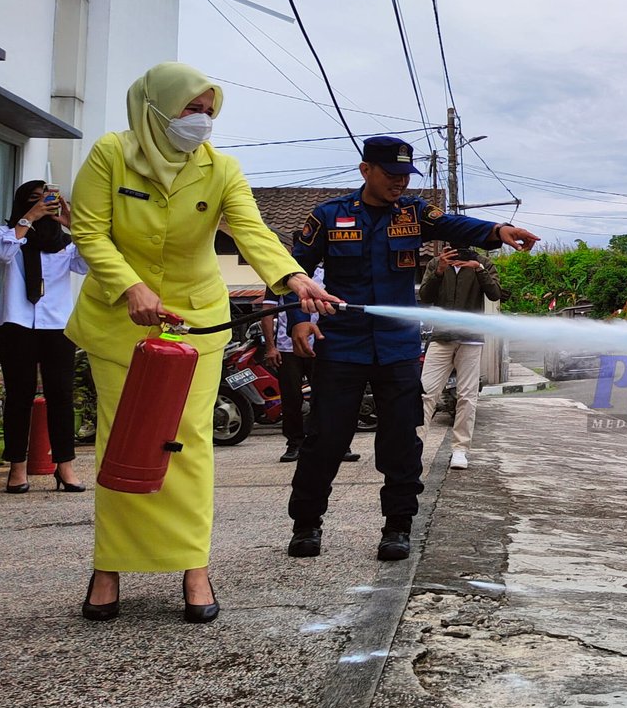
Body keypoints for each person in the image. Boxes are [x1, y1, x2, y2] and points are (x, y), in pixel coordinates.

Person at [67, 63, 338, 624]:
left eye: (209, 112)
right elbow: (89, 230)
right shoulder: (111, 153)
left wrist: (293, 278)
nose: (202, 121)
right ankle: (109, 566)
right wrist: (130, 286)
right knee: (125, 442)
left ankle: (194, 566)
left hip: (196, 325)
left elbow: (252, 231)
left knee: (188, 444)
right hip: (119, 322)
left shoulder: (222, 169)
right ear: (156, 106)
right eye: (191, 109)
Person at [285, 135, 536, 562]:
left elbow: (455, 225)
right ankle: (306, 525)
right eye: (391, 174)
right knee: (325, 439)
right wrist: (299, 319)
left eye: (405, 175)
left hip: (397, 349)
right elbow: (294, 270)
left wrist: (497, 231)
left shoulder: (414, 213)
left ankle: (397, 527)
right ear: (366, 170)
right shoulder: (328, 216)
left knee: (402, 441)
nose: (400, 182)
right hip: (341, 345)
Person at [0, 180, 88, 493]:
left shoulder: (67, 243)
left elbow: (89, 264)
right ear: (22, 203)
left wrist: (74, 225)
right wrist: (30, 217)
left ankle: (65, 467)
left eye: (48, 199)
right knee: (19, 396)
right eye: (34, 199)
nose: (43, 204)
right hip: (16, 324)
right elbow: (3, 253)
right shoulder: (5, 234)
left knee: (61, 395)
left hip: (57, 326)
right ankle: (17, 468)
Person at [260, 263, 358, 464]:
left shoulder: (328, 274)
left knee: (328, 396)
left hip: (321, 344)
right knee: (291, 398)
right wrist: (270, 347)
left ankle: (337, 444)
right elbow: (267, 312)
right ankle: (294, 443)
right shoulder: (282, 277)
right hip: (288, 347)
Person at [418, 244, 504, 470]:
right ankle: (415, 447)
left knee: (467, 395)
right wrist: (439, 271)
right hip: (441, 336)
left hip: (471, 338)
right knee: (425, 392)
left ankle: (460, 450)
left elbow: (495, 294)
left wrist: (478, 269)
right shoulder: (436, 262)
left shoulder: (483, 263)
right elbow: (425, 296)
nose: (459, 247)